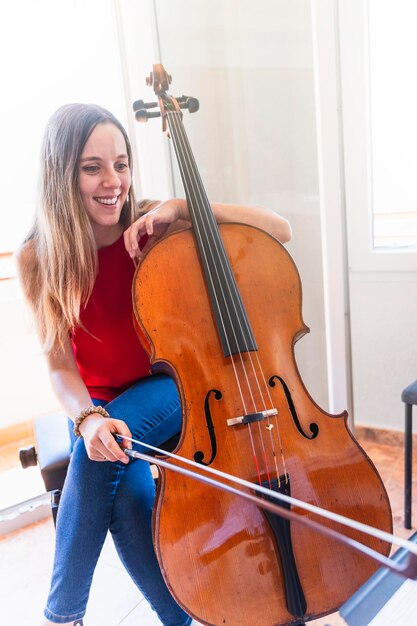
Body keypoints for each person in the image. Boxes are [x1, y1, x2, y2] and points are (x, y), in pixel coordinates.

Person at [15, 103, 292, 626]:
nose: (113, 181)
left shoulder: (154, 225)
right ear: (60, 174)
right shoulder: (37, 258)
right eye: (92, 166)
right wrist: (88, 418)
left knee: (99, 459)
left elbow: (280, 229)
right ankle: (179, 617)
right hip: (102, 403)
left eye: (121, 163)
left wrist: (184, 207)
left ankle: (61, 615)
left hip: (171, 388)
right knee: (124, 497)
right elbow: (58, 363)